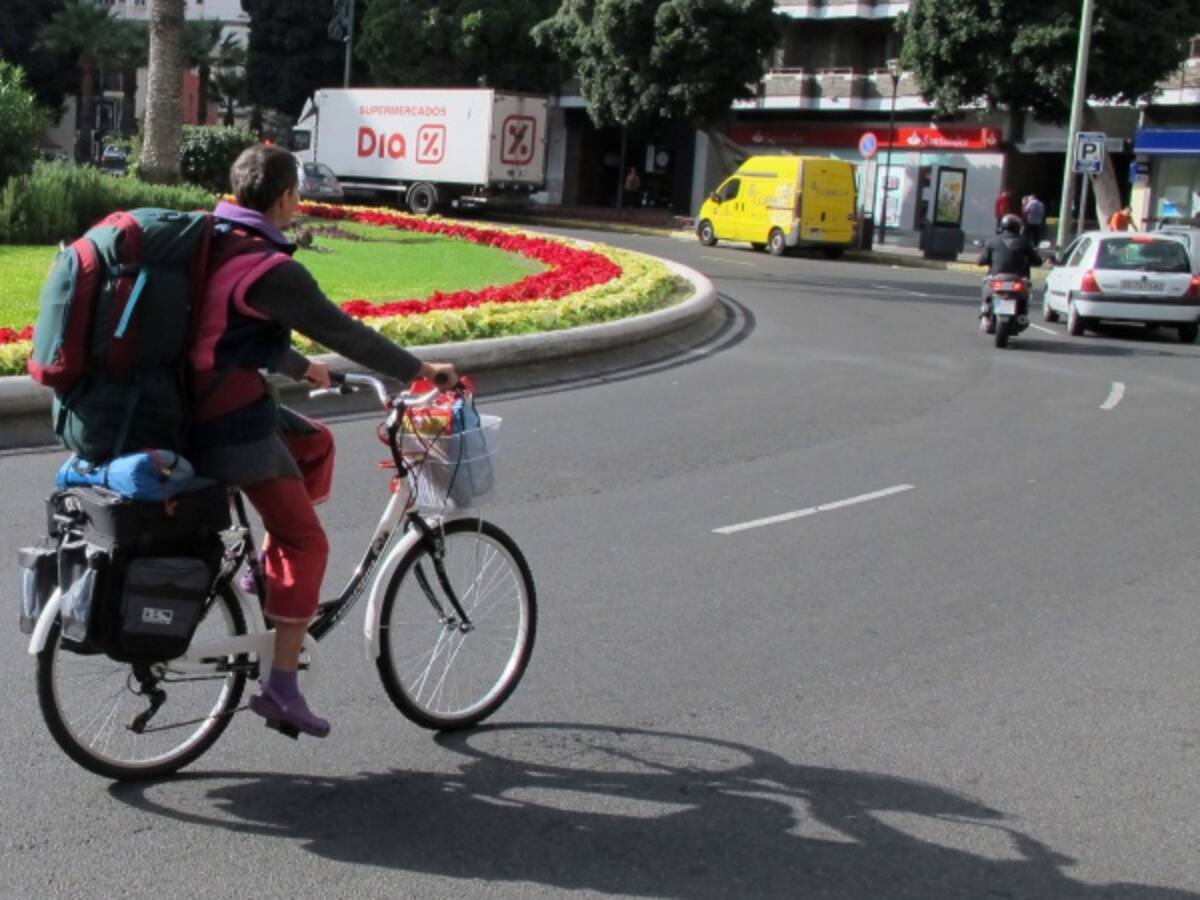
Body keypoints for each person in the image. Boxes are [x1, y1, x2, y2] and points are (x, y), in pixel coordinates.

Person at [190, 143, 457, 737]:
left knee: (314, 445)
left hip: (196, 402)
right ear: (287, 196)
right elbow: (346, 331)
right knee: (306, 543)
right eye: (298, 194)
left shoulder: (216, 241)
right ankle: (281, 688)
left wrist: (298, 366)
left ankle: (260, 576)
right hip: (228, 419)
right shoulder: (275, 268)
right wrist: (421, 372)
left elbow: (225, 327)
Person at [976, 213, 1043, 317]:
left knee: (986, 283)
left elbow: (980, 261)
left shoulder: (993, 241)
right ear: (1019, 228)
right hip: (1017, 279)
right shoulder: (1024, 242)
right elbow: (1037, 261)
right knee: (1026, 292)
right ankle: (1021, 312)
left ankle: (985, 308)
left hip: (997, 278)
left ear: (1002, 227)